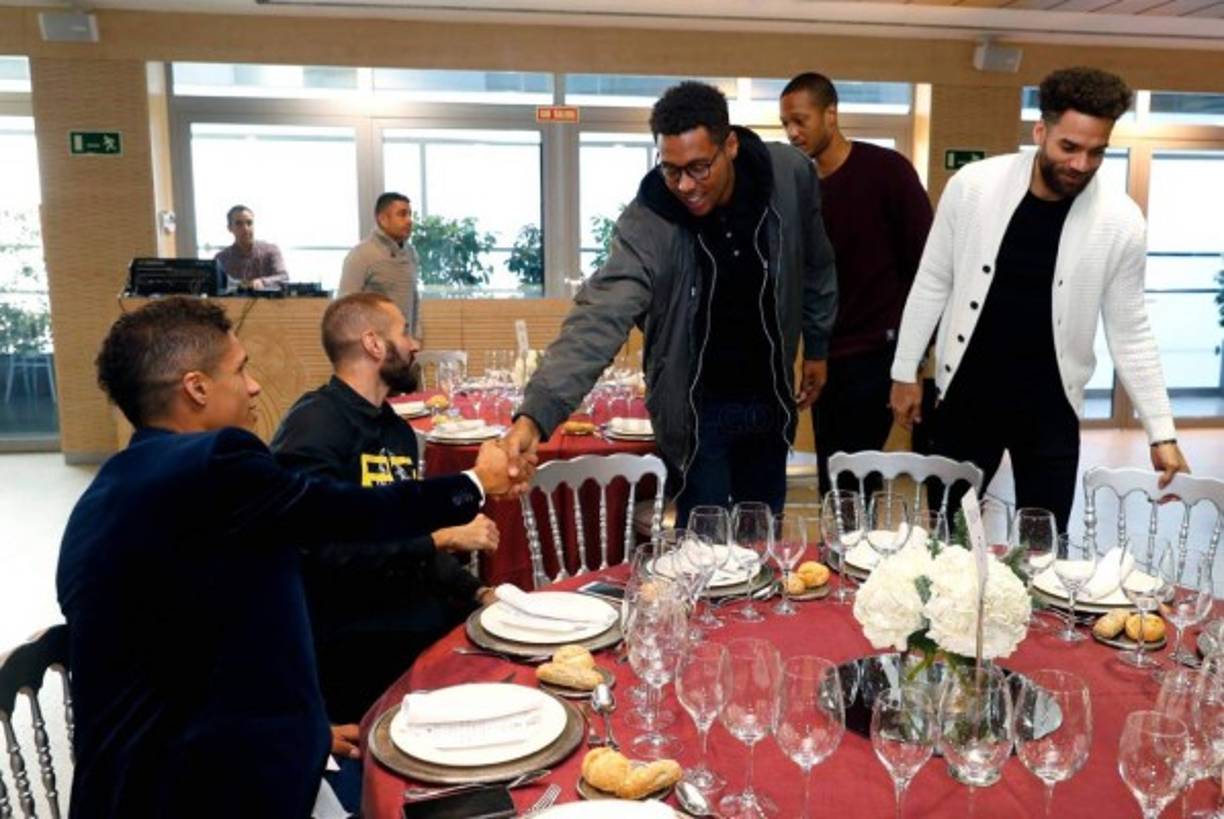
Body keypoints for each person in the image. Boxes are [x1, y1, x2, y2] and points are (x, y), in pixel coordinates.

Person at [56, 296, 518, 819]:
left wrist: (305, 727)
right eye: (241, 369)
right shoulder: (214, 463)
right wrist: (475, 484)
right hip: (197, 789)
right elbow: (346, 515)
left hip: (132, 779)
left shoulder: (109, 491)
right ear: (197, 388)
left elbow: (187, 653)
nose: (254, 386)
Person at [502, 81, 837, 523]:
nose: (685, 185)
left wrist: (816, 345)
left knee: (763, 542)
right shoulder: (649, 220)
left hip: (769, 399)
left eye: (700, 168)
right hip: (696, 411)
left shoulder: (790, 175)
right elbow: (599, 317)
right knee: (705, 552)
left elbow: (816, 264)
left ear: (730, 145)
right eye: (671, 169)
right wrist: (536, 414)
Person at [889, 66, 1189, 531]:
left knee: (1045, 544)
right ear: (1040, 131)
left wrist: (1161, 430)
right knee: (947, 536)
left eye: (1096, 152)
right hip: (966, 393)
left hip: (1051, 408)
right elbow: (932, 281)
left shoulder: (1121, 220)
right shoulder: (973, 186)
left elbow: (1131, 330)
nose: (1081, 165)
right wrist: (904, 372)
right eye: (1069, 147)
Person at [269, 292, 499, 804]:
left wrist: (479, 591)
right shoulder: (315, 427)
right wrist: (440, 537)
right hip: (354, 641)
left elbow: (407, 540)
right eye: (404, 333)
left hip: (405, 617)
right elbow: (322, 554)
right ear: (374, 344)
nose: (415, 345)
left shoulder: (394, 430)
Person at [779, 73, 934, 493]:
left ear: (831, 114)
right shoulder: (800, 185)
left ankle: (857, 554)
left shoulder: (886, 171)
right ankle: (839, 554)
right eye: (785, 124)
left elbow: (929, 266)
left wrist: (913, 361)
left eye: (800, 120)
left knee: (854, 482)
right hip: (827, 355)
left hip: (878, 353)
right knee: (835, 481)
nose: (793, 132)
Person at [338, 192, 420, 337]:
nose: (409, 221)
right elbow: (345, 308)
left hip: (404, 346)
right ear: (383, 219)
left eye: (409, 214)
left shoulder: (411, 253)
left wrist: (416, 337)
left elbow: (414, 300)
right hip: (373, 348)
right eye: (402, 214)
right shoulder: (361, 255)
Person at [214, 204, 289, 290]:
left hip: (265, 302)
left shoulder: (271, 251)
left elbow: (284, 277)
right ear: (229, 228)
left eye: (249, 223)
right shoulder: (221, 258)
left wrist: (263, 282)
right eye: (239, 224)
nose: (245, 228)